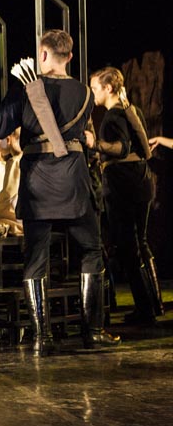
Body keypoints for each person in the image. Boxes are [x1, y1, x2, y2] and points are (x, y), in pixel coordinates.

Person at [0, 29, 120, 354]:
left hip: (38, 182)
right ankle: (93, 332)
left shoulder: (26, 89)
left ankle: (43, 337)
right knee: (91, 250)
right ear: (69, 56)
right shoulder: (85, 93)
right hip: (73, 181)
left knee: (36, 257)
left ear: (42, 55)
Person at [85, 66, 164, 324]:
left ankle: (144, 310)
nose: (93, 93)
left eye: (95, 88)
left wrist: (95, 144)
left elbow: (121, 148)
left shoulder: (112, 117)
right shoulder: (133, 111)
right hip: (142, 181)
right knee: (141, 242)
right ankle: (154, 304)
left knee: (128, 248)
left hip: (123, 185)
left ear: (108, 88)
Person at [0, 127, 24, 236]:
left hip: (20, 216)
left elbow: (8, 196)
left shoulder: (15, 162)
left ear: (8, 139)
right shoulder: (29, 159)